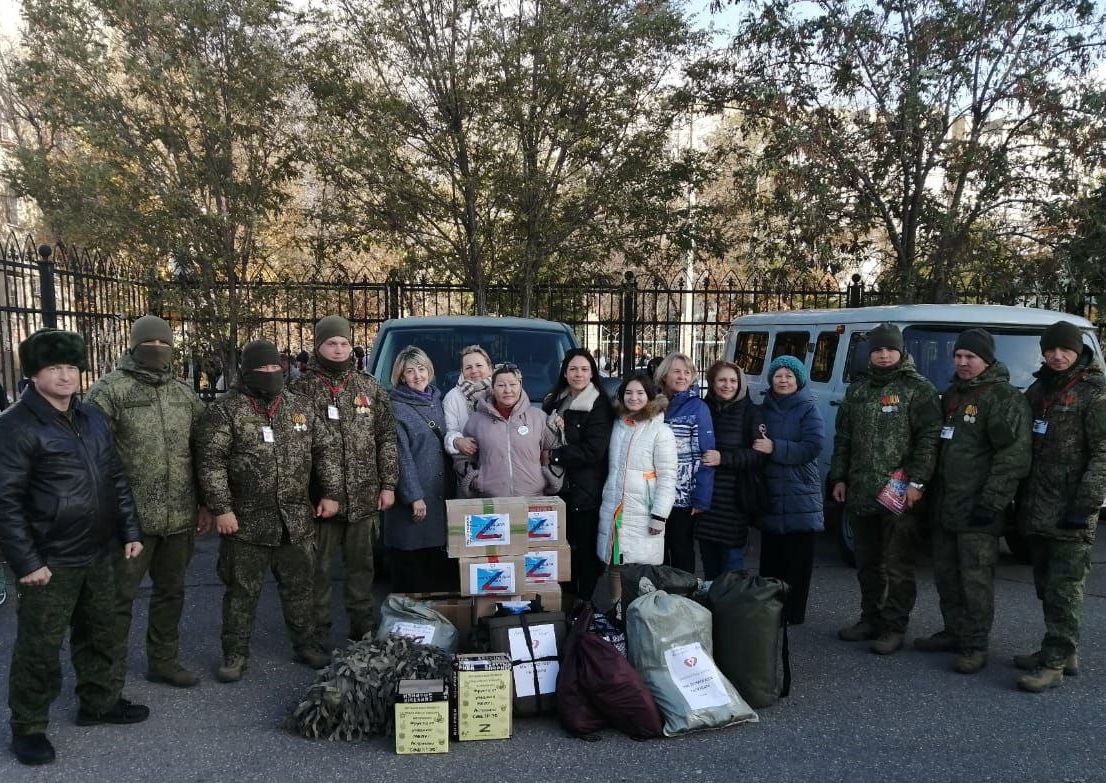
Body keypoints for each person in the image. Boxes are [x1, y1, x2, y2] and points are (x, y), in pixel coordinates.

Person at [0, 329, 148, 767]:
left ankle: (99, 702)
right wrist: (27, 562)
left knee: (102, 631)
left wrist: (130, 531)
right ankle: (27, 726)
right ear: (34, 374)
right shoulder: (14, 426)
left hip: (98, 551)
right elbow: (5, 501)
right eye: (54, 368)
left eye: (70, 368)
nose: (65, 376)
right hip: (50, 561)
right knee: (39, 647)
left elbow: (115, 477)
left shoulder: (92, 418)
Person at [196, 339, 342, 683]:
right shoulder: (225, 411)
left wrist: (331, 493)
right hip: (245, 523)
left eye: (276, 367)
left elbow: (325, 450)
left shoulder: (299, 406)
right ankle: (235, 653)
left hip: (295, 520)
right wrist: (221, 509)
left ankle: (305, 644)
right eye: (262, 369)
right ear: (247, 372)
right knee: (241, 592)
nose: (271, 373)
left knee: (300, 587)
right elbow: (210, 463)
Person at [86, 315, 209, 690]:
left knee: (171, 592)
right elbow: (93, 455)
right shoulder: (110, 390)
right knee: (117, 599)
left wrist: (205, 503)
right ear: (135, 346)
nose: (158, 350)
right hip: (130, 520)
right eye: (150, 344)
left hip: (179, 516)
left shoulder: (184, 393)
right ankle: (108, 673)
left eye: (164, 345)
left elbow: (203, 451)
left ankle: (164, 660)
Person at [914, 329, 1031, 674]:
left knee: (975, 580)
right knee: (946, 576)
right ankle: (954, 632)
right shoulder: (953, 394)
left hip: (978, 509)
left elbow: (1013, 456)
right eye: (959, 356)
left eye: (972, 357)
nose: (964, 363)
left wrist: (992, 502)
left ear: (987, 360)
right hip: (946, 506)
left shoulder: (1003, 398)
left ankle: (976, 645)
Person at [830, 323, 942, 654]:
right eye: (877, 350)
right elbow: (844, 437)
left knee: (898, 564)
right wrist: (839, 477)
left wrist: (918, 481)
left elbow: (929, 438)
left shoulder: (918, 389)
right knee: (867, 562)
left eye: (889, 349)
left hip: (900, 493)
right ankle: (871, 618)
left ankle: (894, 626)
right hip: (862, 489)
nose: (882, 354)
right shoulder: (858, 390)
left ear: (900, 351)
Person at [289, 315, 398, 645]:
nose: (338, 349)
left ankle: (361, 635)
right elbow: (294, 448)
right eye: (331, 343)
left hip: (365, 499)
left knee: (361, 573)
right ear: (318, 346)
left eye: (344, 343)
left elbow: (387, 437)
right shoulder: (300, 390)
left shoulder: (369, 387)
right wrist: (307, 495)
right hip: (321, 503)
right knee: (317, 573)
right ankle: (317, 638)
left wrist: (388, 484)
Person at [1013, 321, 1106, 692]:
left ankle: (1053, 663)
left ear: (1078, 350)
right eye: (1050, 350)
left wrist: (1085, 504)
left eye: (1064, 349)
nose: (1056, 356)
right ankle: (1061, 650)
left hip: (1072, 507)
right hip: (1038, 505)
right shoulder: (1039, 389)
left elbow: (1103, 452)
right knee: (1046, 585)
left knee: (1066, 588)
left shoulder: (1094, 392)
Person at [754, 356, 825, 625]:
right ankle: (770, 610)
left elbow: (813, 446)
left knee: (798, 558)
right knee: (772, 556)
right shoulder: (763, 409)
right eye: (778, 376)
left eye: (789, 376)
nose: (783, 380)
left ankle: (793, 613)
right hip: (771, 490)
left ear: (799, 380)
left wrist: (776, 448)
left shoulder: (808, 408)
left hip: (800, 492)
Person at [596, 373, 677, 605]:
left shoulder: (660, 431)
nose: (634, 397)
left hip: (643, 509)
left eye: (640, 393)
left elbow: (668, 477)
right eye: (628, 393)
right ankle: (616, 610)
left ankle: (638, 615)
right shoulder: (617, 425)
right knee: (614, 563)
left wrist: (659, 515)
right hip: (615, 507)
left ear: (650, 396)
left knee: (639, 569)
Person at [542, 349, 615, 600]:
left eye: (584, 369)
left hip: (585, 491)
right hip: (557, 488)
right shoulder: (555, 400)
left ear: (593, 373)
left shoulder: (599, 405)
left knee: (584, 552)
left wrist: (555, 456)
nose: (579, 374)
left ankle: (583, 606)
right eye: (573, 369)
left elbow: (594, 451)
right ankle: (561, 602)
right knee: (559, 550)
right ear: (564, 372)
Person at [383, 346, 455, 592]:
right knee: (411, 564)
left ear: (430, 371)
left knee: (435, 565)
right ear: (401, 377)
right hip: (415, 498)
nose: (417, 376)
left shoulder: (438, 400)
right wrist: (414, 496)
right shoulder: (397, 407)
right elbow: (401, 457)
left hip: (440, 493)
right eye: (409, 371)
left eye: (421, 369)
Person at [696, 360, 764, 579]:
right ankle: (709, 612)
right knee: (709, 572)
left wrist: (723, 458)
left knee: (732, 573)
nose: (728, 385)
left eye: (733, 380)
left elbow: (759, 455)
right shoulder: (703, 409)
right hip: (706, 501)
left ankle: (730, 614)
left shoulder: (751, 413)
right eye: (722, 380)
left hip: (734, 501)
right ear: (712, 383)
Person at [456, 365, 562, 497]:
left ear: (520, 385)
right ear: (493, 388)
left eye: (513, 384)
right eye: (501, 385)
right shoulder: (477, 421)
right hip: (491, 502)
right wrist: (475, 480)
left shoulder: (538, 417)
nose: (508, 390)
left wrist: (547, 477)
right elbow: (462, 457)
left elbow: (555, 449)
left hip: (533, 500)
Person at [655, 352, 715, 573]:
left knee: (681, 552)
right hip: (655, 493)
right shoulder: (653, 404)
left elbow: (707, 454)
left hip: (684, 498)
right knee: (657, 553)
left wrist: (701, 497)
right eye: (677, 371)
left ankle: (683, 603)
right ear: (664, 375)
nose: (682, 376)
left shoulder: (698, 407)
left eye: (687, 372)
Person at [443, 344, 494, 458]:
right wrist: (457, 441)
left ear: (490, 368)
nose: (474, 370)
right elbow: (450, 431)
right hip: (469, 460)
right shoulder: (452, 397)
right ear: (462, 371)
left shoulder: (502, 389)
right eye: (468, 367)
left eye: (479, 365)